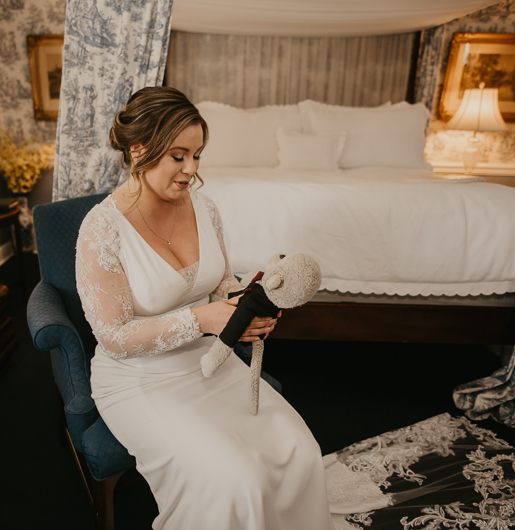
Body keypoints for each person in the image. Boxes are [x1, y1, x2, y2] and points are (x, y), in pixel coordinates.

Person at [75, 86, 335, 529]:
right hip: (140, 381)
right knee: (239, 482)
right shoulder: (101, 230)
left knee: (300, 450)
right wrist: (205, 320)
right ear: (139, 150)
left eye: (197, 155)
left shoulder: (204, 207)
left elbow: (218, 283)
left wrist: (245, 304)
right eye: (179, 156)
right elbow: (113, 336)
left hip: (208, 363)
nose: (191, 170)